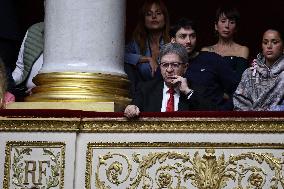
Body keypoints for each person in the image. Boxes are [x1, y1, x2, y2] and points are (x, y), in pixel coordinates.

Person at [124, 43, 215, 118]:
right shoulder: (146, 89)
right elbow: (134, 106)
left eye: (175, 65)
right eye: (165, 65)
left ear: (185, 67)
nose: (169, 70)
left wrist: (187, 92)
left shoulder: (197, 90)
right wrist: (131, 108)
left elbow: (212, 116)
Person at [170, 18, 239, 110]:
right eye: (183, 36)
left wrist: (223, 112)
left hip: (213, 119)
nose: (189, 41)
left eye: (192, 36)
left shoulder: (212, 59)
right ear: (173, 40)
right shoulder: (167, 66)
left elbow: (238, 89)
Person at [124, 0, 170, 96]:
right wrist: (147, 59)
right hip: (143, 94)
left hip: (168, 92)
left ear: (165, 18)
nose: (154, 17)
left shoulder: (172, 41)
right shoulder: (137, 43)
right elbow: (118, 56)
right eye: (149, 14)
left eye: (158, 13)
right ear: (143, 20)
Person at [233, 28, 284, 111]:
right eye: (265, 42)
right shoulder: (249, 74)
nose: (269, 46)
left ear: (283, 47)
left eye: (274, 42)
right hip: (250, 123)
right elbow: (239, 105)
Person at [201, 5, 249, 80]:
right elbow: (202, 78)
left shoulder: (242, 50)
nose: (227, 25)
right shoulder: (205, 50)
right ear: (216, 26)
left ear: (236, 28)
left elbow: (239, 80)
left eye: (232, 22)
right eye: (223, 21)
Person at [12, 22, 44, 97]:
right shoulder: (35, 30)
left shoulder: (72, 35)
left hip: (54, 95)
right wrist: (5, 83)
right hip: (26, 95)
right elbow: (20, 69)